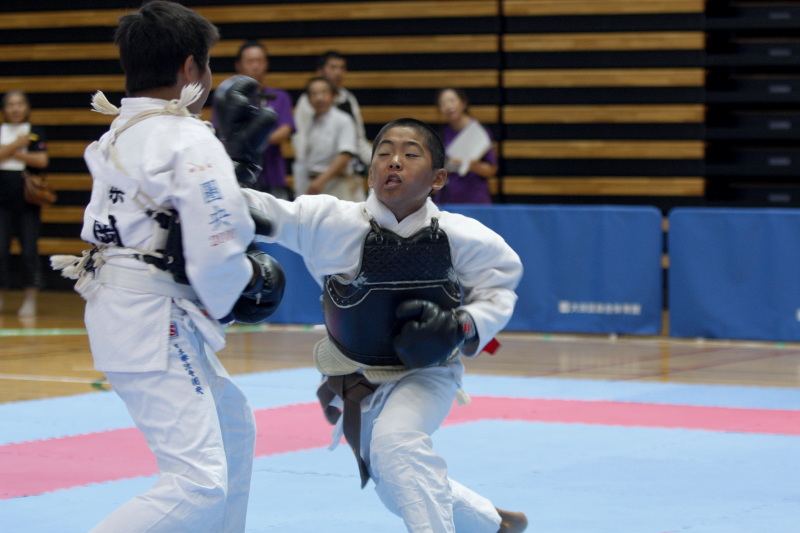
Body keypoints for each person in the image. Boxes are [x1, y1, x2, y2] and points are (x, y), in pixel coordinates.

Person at [50, 3, 283, 532]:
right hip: (153, 317)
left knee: (233, 426)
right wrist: (245, 283)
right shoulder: (186, 136)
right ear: (190, 68)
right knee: (199, 484)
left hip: (126, 305)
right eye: (208, 64)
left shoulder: (120, 129)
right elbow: (216, 242)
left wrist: (229, 167)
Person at [241, 118, 527, 532]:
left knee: (397, 446)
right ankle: (491, 524)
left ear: (438, 178)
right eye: (384, 153)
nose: (394, 161)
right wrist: (230, 166)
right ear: (371, 171)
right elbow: (265, 213)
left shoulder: (460, 235)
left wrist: (464, 325)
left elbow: (501, 284)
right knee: (395, 482)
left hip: (428, 371)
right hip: (355, 374)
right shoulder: (330, 222)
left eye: (410, 154)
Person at [0, 90, 49, 317]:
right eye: (11, 104)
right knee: (0, 250)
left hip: (27, 203)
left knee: (29, 251)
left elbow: (41, 160)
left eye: (20, 104)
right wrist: (18, 145)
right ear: (4, 109)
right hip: (2, 202)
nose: (15, 108)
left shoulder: (35, 132)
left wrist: (11, 152)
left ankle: (30, 297)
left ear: (27, 107)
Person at [228, 40, 294, 199]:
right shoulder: (229, 99)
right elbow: (225, 133)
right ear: (239, 65)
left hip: (273, 175)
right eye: (250, 61)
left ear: (266, 64)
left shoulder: (280, 96)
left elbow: (285, 130)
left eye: (260, 61)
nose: (255, 66)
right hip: (240, 176)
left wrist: (252, 141)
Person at [292, 50, 372, 176]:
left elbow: (359, 138)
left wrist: (374, 161)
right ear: (320, 71)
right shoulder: (307, 101)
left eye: (341, 68)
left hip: (345, 170)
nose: (338, 73)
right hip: (317, 171)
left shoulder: (348, 98)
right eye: (333, 67)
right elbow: (300, 137)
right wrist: (304, 171)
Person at [292, 76, 365, 200]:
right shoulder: (311, 122)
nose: (319, 98)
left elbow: (345, 155)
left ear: (333, 95)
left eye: (324, 93)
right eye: (314, 94)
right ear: (308, 99)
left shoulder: (343, 120)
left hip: (336, 183)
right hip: (313, 183)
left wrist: (321, 181)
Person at [433, 88, 496, 205]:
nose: (448, 106)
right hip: (448, 200)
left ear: (463, 103)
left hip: (475, 199)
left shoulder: (480, 132)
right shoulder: (440, 135)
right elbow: (433, 171)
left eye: (452, 101)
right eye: (443, 103)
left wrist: (477, 167)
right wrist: (449, 167)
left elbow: (492, 169)